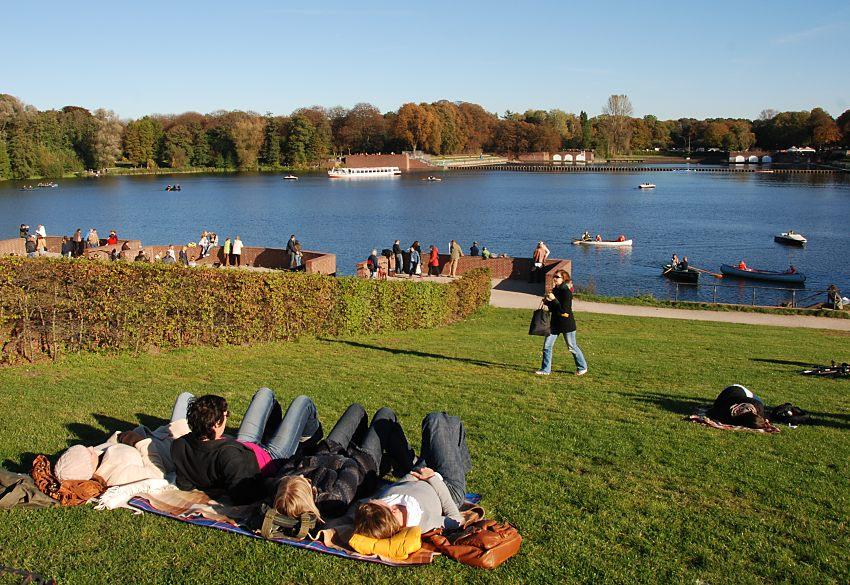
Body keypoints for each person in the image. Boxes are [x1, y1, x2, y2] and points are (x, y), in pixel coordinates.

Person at [171, 389, 323, 505]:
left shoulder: (180, 445)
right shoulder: (229, 457)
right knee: (303, 402)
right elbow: (244, 495)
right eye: (226, 415)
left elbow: (184, 484)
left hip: (244, 444)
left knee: (265, 392)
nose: (227, 418)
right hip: (271, 458)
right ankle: (309, 439)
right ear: (216, 424)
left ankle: (274, 430)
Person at [271, 404, 414, 521]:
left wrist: (321, 460)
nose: (302, 476)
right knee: (384, 415)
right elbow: (350, 466)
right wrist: (316, 462)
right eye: (304, 481)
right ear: (310, 495)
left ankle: (391, 460)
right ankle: (407, 462)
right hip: (363, 463)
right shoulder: (334, 498)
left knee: (356, 409)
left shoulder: (286, 485)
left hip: (330, 450)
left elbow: (294, 461)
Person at [353, 412, 470, 539]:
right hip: (448, 487)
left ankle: (457, 458)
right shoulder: (423, 521)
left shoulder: (384, 500)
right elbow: (457, 520)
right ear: (392, 511)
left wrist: (418, 474)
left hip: (420, 472)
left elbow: (401, 484)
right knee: (435, 420)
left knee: (385, 421)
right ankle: (461, 463)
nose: (371, 499)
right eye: (375, 501)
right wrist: (432, 478)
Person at [53, 392, 193, 487]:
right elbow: (157, 474)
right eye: (88, 453)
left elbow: (112, 443)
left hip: (160, 435)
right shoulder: (118, 475)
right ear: (88, 468)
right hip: (177, 445)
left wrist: (121, 436)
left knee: (186, 399)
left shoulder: (95, 456)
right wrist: (140, 442)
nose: (91, 448)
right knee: (188, 400)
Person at [536, 270, 588, 376]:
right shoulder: (555, 290)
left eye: (557, 277)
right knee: (547, 346)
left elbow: (565, 311)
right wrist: (547, 301)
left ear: (563, 279)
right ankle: (546, 370)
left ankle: (582, 367)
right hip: (555, 323)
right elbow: (554, 308)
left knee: (572, 346)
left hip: (566, 324)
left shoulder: (566, 292)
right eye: (554, 276)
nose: (554, 278)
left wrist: (554, 299)